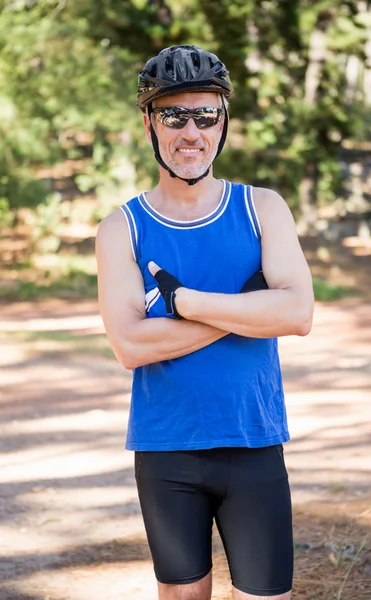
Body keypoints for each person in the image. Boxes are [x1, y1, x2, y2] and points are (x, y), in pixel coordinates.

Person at [96, 44, 314, 600]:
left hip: (254, 440)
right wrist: (246, 309)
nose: (190, 131)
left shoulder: (263, 208)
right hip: (167, 449)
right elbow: (130, 345)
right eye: (174, 115)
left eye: (206, 115)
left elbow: (296, 313)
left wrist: (185, 301)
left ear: (223, 123)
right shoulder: (121, 228)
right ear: (149, 122)